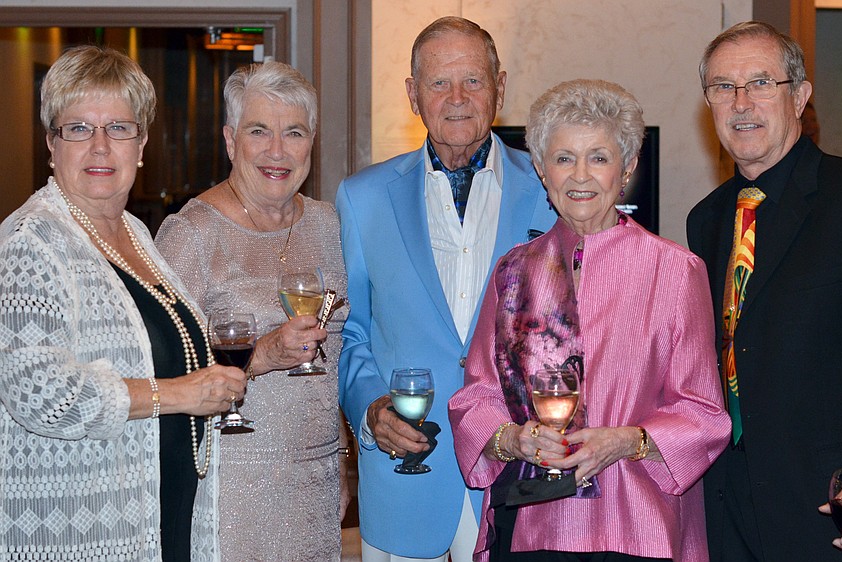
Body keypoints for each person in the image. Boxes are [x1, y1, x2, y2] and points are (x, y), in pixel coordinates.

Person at [448, 78, 730, 561]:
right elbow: (476, 399)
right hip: (532, 527)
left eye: (599, 157)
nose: (580, 176)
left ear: (628, 167)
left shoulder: (676, 271)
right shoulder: (514, 272)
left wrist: (625, 442)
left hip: (638, 527)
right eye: (564, 159)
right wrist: (513, 438)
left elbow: (703, 414)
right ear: (542, 170)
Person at [0, 45, 247, 561]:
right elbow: (39, 393)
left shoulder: (134, 232)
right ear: (51, 144)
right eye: (78, 128)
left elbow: (169, 350)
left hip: (160, 515)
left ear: (141, 144)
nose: (99, 146)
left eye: (118, 128)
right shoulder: (32, 241)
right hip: (83, 530)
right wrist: (178, 395)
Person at [336, 16, 556, 562]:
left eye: (473, 81)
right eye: (439, 83)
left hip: (519, 480)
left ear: (499, 88)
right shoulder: (362, 198)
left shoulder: (551, 188)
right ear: (413, 95)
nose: (457, 98)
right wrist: (370, 408)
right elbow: (348, 332)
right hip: (404, 476)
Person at [155, 60, 350, 561]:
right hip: (231, 486)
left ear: (312, 143)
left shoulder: (328, 225)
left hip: (317, 484)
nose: (277, 151)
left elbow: (339, 358)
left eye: (294, 133)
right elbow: (160, 373)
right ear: (230, 140)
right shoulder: (192, 234)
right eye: (258, 131)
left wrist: (342, 455)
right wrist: (259, 356)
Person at [687, 21, 842, 561]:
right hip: (727, 510)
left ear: (799, 97)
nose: (741, 103)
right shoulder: (706, 220)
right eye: (723, 87)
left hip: (828, 506)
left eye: (761, 83)